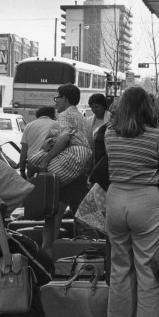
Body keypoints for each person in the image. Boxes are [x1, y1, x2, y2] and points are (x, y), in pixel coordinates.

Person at [105, 86, 159, 317]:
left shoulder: (109, 134)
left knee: (120, 268)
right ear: (148, 107)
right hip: (145, 201)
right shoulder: (157, 136)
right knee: (148, 271)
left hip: (115, 199)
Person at [39, 84, 93, 253]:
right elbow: (90, 146)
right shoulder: (84, 120)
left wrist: (45, 161)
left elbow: (63, 139)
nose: (55, 102)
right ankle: (90, 252)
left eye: (58, 98)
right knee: (84, 217)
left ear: (66, 99)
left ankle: (47, 253)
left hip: (65, 172)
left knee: (53, 215)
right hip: (80, 172)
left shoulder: (64, 116)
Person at [18, 106, 58, 179]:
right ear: (52, 115)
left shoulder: (28, 126)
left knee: (33, 188)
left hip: (31, 165)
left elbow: (24, 150)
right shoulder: (56, 124)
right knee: (48, 188)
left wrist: (22, 170)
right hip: (49, 165)